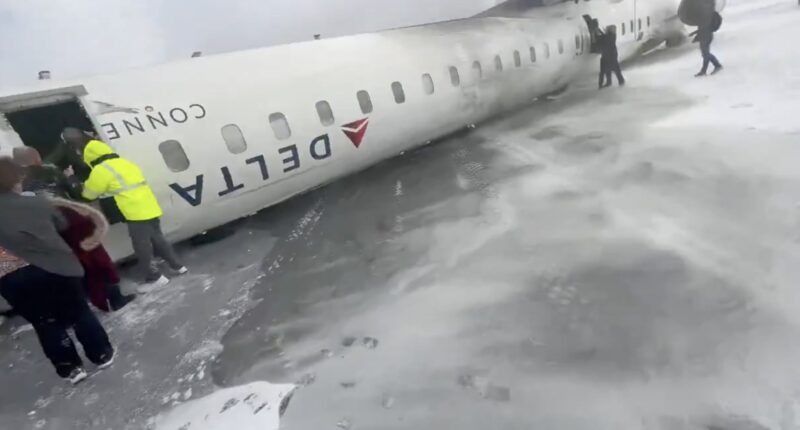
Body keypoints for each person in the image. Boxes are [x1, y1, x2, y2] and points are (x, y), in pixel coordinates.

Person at [0, 158, 114, 384]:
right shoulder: (37, 203)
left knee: (44, 323)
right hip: (56, 268)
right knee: (79, 312)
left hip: (11, 279)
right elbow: (62, 225)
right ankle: (101, 354)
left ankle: (70, 368)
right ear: (14, 180)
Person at [61, 128, 187, 287]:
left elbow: (88, 194)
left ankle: (154, 277)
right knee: (158, 239)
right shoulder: (124, 162)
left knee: (141, 245)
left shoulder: (102, 170)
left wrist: (71, 177)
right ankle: (178, 267)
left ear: (90, 155)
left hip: (135, 211)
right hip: (150, 206)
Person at [14, 147, 135, 311]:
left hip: (50, 228)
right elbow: (77, 193)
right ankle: (115, 299)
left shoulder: (17, 182)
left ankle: (95, 301)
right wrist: (71, 177)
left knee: (77, 264)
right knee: (98, 260)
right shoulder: (50, 171)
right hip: (72, 222)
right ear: (36, 157)